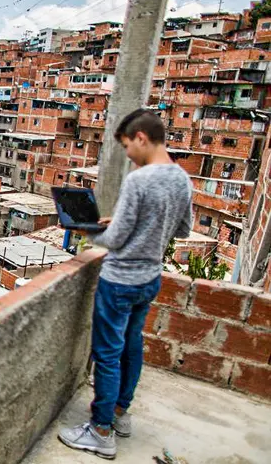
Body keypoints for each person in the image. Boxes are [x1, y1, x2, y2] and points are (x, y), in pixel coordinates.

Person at [58, 109, 193, 460]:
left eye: (127, 146)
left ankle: (101, 430)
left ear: (142, 138)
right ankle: (119, 414)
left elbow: (116, 240)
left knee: (107, 354)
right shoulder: (181, 180)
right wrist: (139, 225)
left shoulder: (139, 180)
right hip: (150, 278)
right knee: (132, 347)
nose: (128, 154)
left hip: (119, 281)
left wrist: (89, 229)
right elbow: (182, 230)